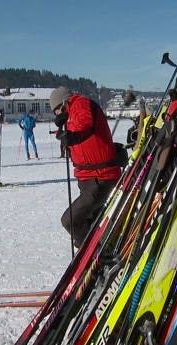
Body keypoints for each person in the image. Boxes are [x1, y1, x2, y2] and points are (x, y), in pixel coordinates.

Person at [50, 86, 122, 249]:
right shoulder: (69, 114)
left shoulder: (80, 104)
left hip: (101, 176)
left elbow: (85, 123)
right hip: (88, 178)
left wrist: (72, 137)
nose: (56, 115)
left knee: (70, 220)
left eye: (55, 110)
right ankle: (102, 249)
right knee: (92, 222)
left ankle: (93, 252)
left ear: (62, 103)